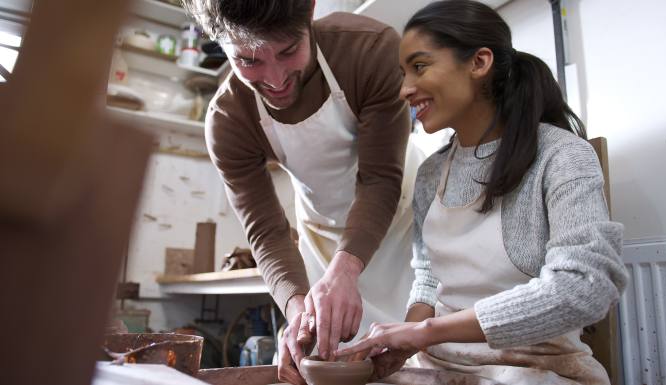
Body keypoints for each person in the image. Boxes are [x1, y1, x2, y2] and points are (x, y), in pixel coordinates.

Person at [335, 1, 629, 384]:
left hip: (537, 368)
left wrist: (426, 333)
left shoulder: (562, 155)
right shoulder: (430, 174)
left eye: (419, 67)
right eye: (403, 73)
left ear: (479, 62)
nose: (405, 89)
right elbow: (427, 277)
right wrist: (402, 344)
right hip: (440, 366)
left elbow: (585, 287)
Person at [181, 1, 421, 384]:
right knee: (326, 352)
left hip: (405, 226)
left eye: (288, 51)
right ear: (220, 43)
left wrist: (347, 269)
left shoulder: (369, 50)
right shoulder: (228, 120)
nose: (275, 80)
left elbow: (380, 179)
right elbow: (267, 231)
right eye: (248, 61)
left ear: (309, 10)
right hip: (322, 239)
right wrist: (297, 309)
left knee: (422, 360)